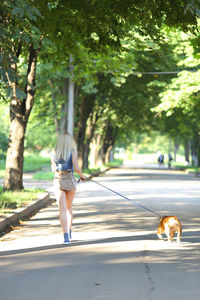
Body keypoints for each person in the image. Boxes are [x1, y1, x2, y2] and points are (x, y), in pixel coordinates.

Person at [51, 132, 86, 245]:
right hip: (70, 181)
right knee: (68, 209)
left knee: (62, 209)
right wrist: (82, 176)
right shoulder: (73, 151)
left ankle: (66, 237)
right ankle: (70, 232)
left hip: (58, 181)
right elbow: (76, 168)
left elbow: (53, 169)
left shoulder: (54, 151)